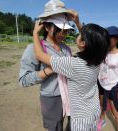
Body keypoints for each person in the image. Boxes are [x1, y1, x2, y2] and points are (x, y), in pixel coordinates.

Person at [33, 21, 110, 130]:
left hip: (81, 118)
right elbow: (90, 43)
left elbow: (39, 55)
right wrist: (77, 21)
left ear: (83, 43)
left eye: (81, 35)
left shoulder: (73, 64)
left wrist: (35, 33)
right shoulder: (96, 61)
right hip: (94, 109)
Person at [18, 0, 81, 131]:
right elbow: (23, 80)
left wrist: (77, 22)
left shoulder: (66, 49)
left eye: (66, 31)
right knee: (55, 128)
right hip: (52, 99)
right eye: (59, 30)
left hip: (70, 95)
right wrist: (49, 70)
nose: (63, 34)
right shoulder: (34, 49)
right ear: (46, 27)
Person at [97, 26, 118, 131]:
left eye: (111, 37)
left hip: (114, 86)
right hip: (101, 84)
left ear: (117, 39)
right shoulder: (102, 51)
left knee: (116, 112)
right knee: (101, 105)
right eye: (107, 37)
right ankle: (103, 119)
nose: (109, 39)